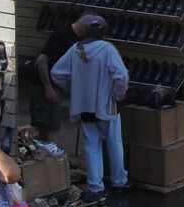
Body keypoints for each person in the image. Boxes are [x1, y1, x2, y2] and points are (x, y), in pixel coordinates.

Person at [51, 16, 129, 197]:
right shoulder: (107, 49)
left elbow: (56, 73)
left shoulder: (76, 50)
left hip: (83, 106)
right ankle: (119, 181)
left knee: (91, 146)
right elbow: (121, 75)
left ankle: (95, 187)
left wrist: (72, 89)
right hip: (106, 106)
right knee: (114, 143)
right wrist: (118, 94)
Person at [33, 15, 90, 142]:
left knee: (49, 125)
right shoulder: (61, 35)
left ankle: (48, 155)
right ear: (84, 26)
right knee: (49, 126)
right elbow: (41, 60)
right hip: (45, 86)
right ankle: (51, 158)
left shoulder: (77, 38)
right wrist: (48, 88)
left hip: (54, 86)